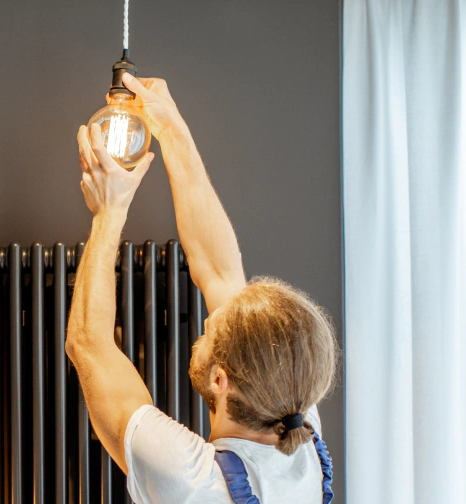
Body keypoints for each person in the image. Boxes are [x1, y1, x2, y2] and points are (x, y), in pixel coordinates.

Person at [66, 72, 339, 503]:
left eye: (213, 330)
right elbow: (219, 271)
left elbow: (88, 345)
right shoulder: (299, 433)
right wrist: (172, 130)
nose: (210, 318)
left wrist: (108, 213)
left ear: (219, 379)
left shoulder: (191, 480)